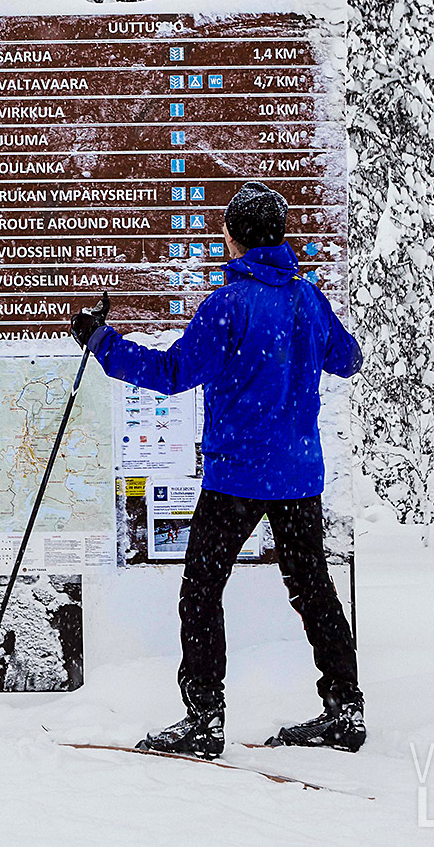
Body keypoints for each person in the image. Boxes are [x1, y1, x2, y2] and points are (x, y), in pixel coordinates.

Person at [69, 181, 365, 759]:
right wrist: (309, 336)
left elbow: (173, 373)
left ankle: (205, 718)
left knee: (202, 590)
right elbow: (348, 359)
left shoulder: (228, 306)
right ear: (279, 236)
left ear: (232, 237)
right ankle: (344, 710)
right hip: (298, 477)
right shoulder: (310, 302)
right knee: (313, 589)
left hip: (236, 477)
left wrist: (102, 342)